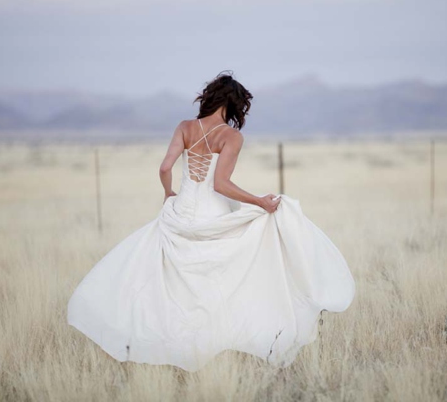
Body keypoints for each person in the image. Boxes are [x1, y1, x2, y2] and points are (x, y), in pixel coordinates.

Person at [67, 71, 355, 372]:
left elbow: (165, 167)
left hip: (180, 214)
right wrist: (259, 202)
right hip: (213, 216)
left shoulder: (185, 127)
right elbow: (221, 184)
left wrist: (168, 193)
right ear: (234, 105)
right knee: (222, 280)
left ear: (210, 97)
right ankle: (219, 340)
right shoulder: (231, 137)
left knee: (175, 284)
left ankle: (172, 341)